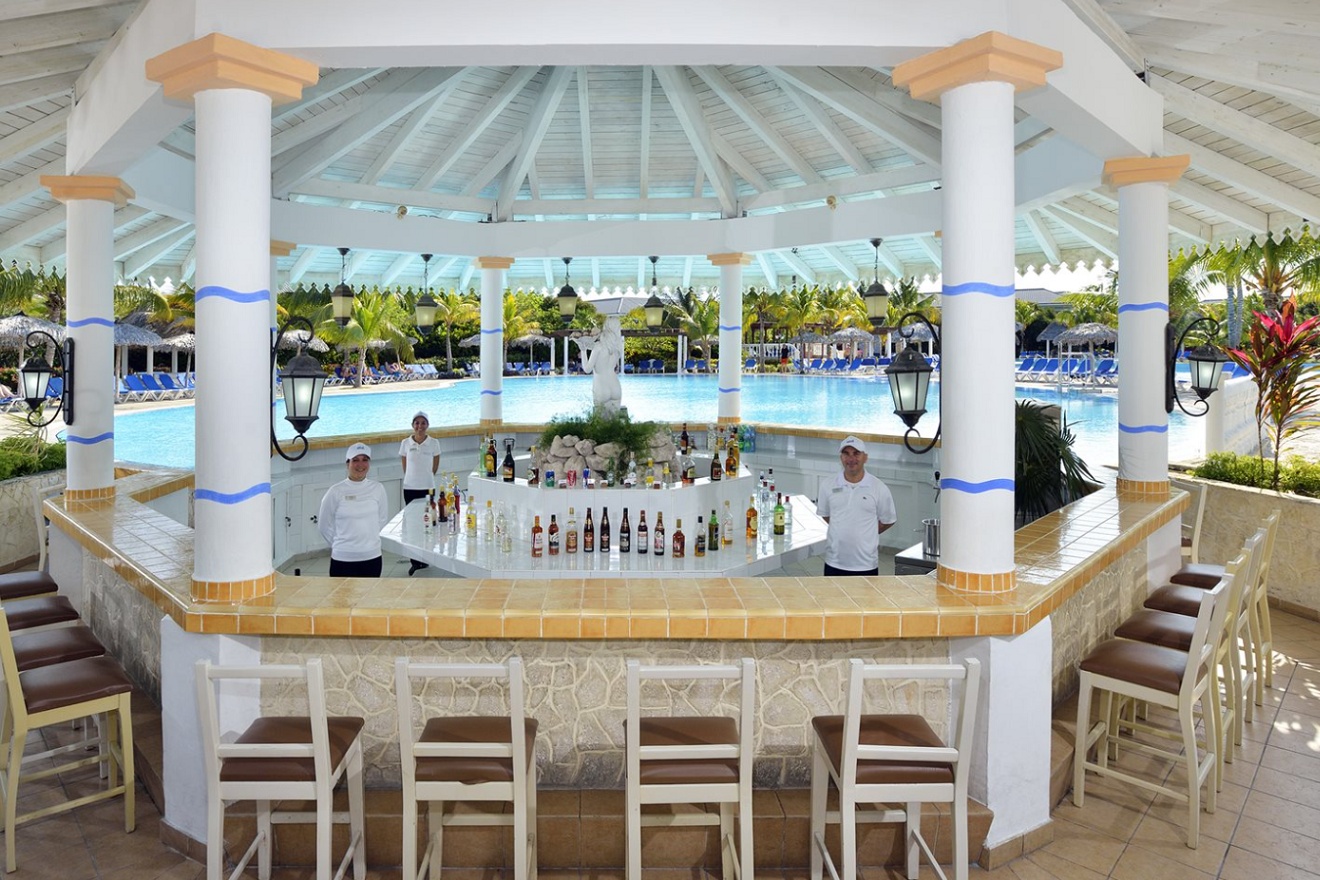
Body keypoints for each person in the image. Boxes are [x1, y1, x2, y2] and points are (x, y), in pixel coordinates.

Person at [815, 436, 897, 576]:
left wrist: (867, 533)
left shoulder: (879, 488)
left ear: (865, 457)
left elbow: (888, 521)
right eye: (846, 454)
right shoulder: (827, 485)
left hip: (866, 565)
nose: (851, 458)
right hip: (834, 562)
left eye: (856, 453)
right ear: (841, 458)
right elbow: (826, 515)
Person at [318, 442, 389, 577]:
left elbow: (382, 519)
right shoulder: (335, 491)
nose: (360, 465)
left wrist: (368, 543)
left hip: (372, 557)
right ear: (347, 464)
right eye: (355, 460)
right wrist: (342, 545)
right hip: (343, 559)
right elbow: (324, 525)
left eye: (365, 460)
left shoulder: (378, 489)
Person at [399, 411, 441, 575]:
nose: (420, 426)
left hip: (427, 488)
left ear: (427, 425)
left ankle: (426, 558)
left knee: (427, 522)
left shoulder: (434, 443)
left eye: (423, 423)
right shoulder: (405, 443)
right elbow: (405, 465)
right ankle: (415, 561)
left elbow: (435, 466)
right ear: (412, 425)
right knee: (412, 525)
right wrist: (413, 479)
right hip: (410, 488)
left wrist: (425, 478)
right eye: (417, 423)